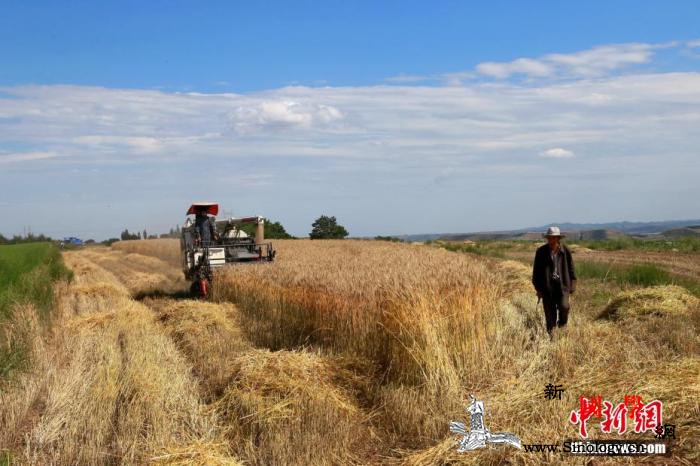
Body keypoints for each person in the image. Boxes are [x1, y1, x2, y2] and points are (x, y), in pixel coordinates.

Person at [532, 226, 576, 335]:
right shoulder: (541, 252)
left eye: (554, 238)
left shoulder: (565, 251)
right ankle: (552, 337)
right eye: (549, 238)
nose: (551, 240)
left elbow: (571, 269)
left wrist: (572, 285)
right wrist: (538, 289)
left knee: (564, 306)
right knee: (550, 316)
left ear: (558, 239)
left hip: (563, 286)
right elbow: (536, 272)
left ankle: (562, 325)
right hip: (547, 288)